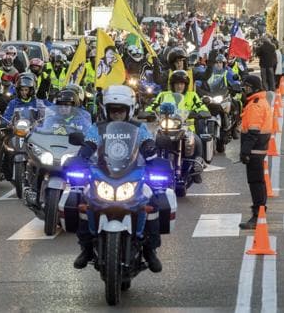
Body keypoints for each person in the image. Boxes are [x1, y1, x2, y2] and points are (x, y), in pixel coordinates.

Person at [73, 85, 162, 272]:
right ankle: (86, 248)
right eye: (113, 111)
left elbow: (147, 144)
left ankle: (150, 250)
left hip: (132, 173)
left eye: (121, 111)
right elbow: (89, 145)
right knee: (82, 198)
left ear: (129, 110)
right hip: (103, 173)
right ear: (106, 110)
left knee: (155, 200)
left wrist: (153, 155)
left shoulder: (139, 128)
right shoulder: (96, 128)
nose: (117, 115)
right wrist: (80, 158)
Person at [146, 70, 208, 183]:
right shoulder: (163, 95)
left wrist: (199, 113)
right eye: (177, 83)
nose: (179, 86)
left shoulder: (192, 95)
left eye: (182, 83)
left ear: (185, 85)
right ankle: (150, 166)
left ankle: (197, 166)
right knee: (151, 140)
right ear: (172, 85)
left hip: (186, 128)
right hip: (165, 128)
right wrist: (147, 113)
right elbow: (151, 107)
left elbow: (202, 108)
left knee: (197, 140)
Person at [238, 75, 272, 229]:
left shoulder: (255, 105)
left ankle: (258, 215)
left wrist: (245, 151)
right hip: (259, 148)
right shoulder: (259, 101)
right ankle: (260, 212)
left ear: (253, 88)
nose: (244, 90)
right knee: (259, 182)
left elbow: (252, 131)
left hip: (255, 149)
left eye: (246, 87)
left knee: (255, 182)